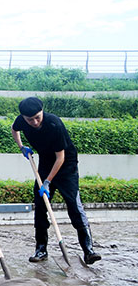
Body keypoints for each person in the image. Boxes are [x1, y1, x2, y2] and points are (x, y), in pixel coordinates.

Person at [11, 97, 101, 265]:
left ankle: (88, 250)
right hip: (45, 163)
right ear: (23, 117)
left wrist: (47, 182)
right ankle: (41, 248)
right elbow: (14, 129)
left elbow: (60, 157)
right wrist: (21, 147)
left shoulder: (54, 124)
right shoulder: (21, 121)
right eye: (30, 119)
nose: (35, 122)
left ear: (42, 112)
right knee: (40, 204)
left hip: (66, 166)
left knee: (74, 204)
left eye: (38, 117)